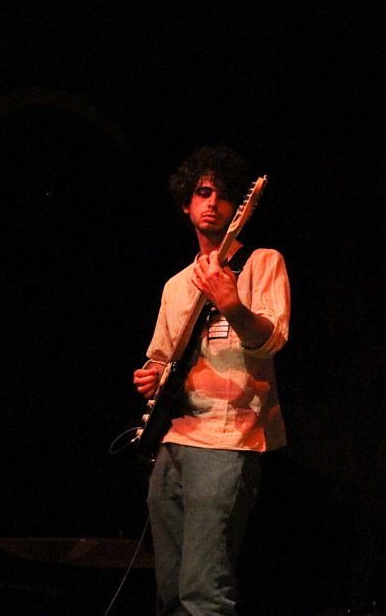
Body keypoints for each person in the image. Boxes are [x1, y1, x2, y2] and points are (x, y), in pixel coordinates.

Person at [133, 145, 291, 615]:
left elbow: (272, 341)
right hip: (174, 440)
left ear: (239, 207)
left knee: (204, 591)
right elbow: (161, 360)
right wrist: (151, 378)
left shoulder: (262, 262)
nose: (213, 203)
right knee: (169, 594)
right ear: (186, 202)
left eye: (224, 195)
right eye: (203, 193)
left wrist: (233, 305)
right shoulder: (175, 285)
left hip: (228, 439)